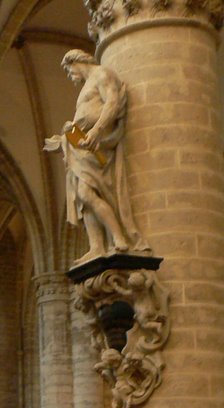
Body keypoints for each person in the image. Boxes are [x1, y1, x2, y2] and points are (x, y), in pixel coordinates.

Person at [44, 49, 149, 262]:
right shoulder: (86, 85)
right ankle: (97, 247)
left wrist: (96, 130)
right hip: (80, 147)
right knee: (84, 198)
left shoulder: (102, 75)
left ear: (75, 62)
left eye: (69, 71)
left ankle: (119, 238)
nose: (70, 76)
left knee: (87, 192)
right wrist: (63, 140)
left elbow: (111, 103)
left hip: (97, 145)